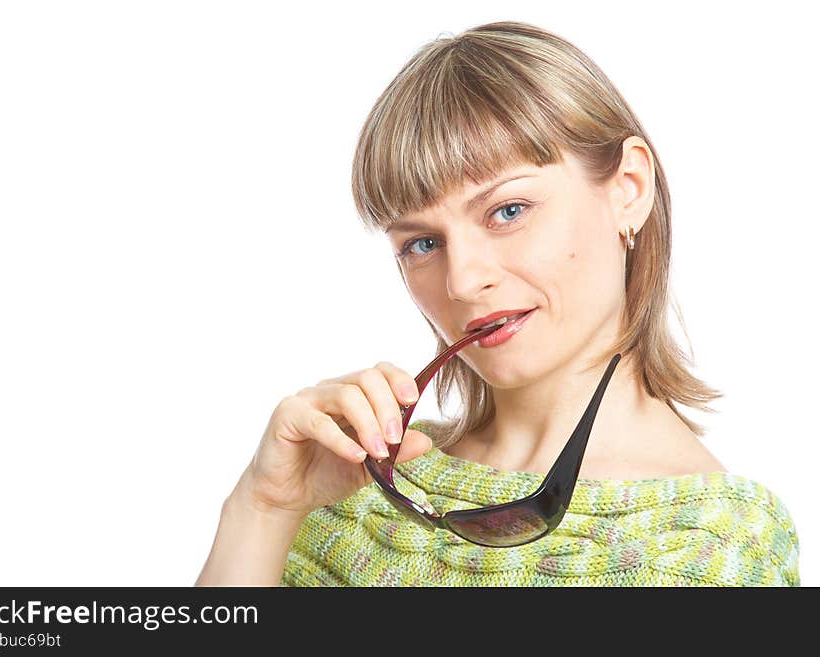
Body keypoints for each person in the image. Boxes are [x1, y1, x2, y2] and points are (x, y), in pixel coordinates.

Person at [195, 20, 799, 587]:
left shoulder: (714, 543)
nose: (462, 280)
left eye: (508, 211)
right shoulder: (346, 489)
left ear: (628, 190)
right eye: (422, 243)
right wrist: (263, 506)